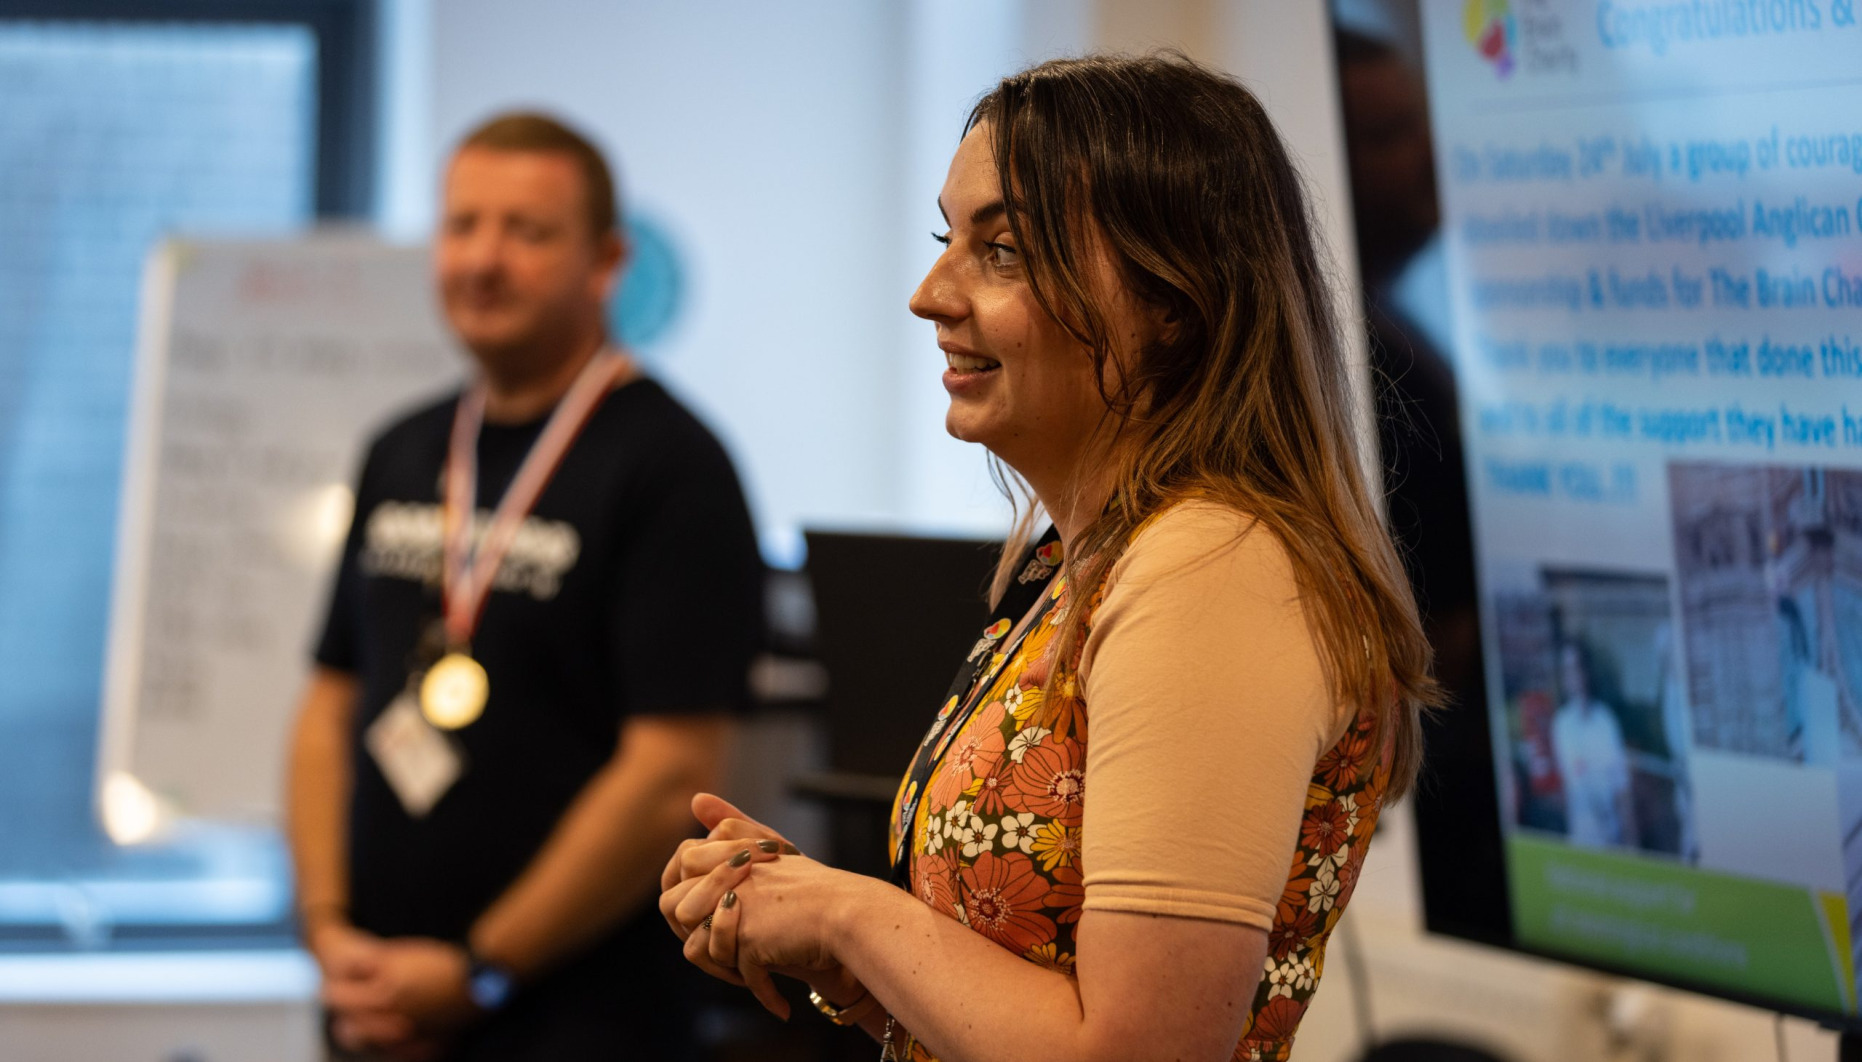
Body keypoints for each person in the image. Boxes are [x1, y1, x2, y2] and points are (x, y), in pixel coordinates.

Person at [659, 54, 1436, 1061]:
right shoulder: (1094, 559)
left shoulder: (1214, 569)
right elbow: (1032, 990)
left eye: (1004, 252)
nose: (930, 295)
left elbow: (1136, 1050)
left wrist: (853, 916)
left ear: (1174, 303)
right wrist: (819, 932)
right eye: (948, 240)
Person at [286, 112, 763, 1060]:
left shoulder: (673, 467)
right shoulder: (401, 448)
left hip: (576, 1018)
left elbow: (670, 770)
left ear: (606, 260)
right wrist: (330, 933)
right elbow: (329, 706)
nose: (483, 260)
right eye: (462, 226)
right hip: (375, 1006)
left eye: (526, 231)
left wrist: (479, 968)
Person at [1550, 640, 1637, 849]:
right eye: (1567, 669)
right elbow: (1564, 784)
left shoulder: (1606, 721)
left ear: (1586, 670)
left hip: (1612, 837)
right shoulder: (1561, 724)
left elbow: (1621, 786)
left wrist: (1631, 842)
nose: (1573, 675)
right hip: (1580, 838)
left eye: (1577, 667)